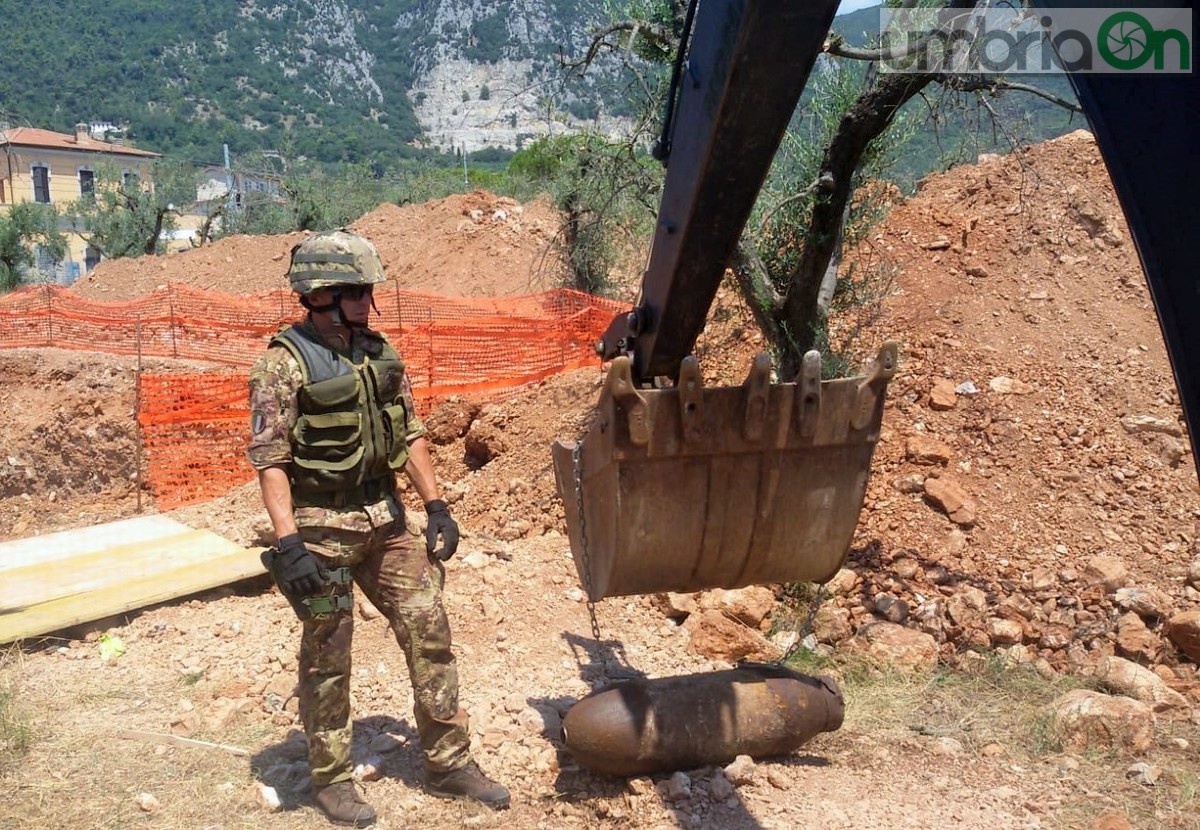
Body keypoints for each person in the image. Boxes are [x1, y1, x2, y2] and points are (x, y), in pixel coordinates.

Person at [247, 229, 509, 827]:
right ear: (320, 294)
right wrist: (289, 544)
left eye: (368, 289)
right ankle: (332, 779)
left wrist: (437, 505)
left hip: (386, 522)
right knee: (328, 655)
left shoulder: (379, 353)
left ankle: (447, 764)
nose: (369, 300)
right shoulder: (282, 365)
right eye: (357, 290)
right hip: (319, 531)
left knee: (430, 630)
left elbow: (409, 431)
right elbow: (271, 460)